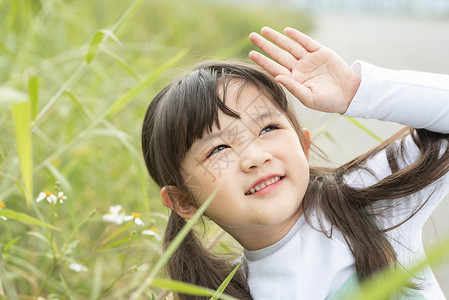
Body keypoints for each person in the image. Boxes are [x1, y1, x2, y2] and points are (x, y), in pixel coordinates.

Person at [141, 26, 449, 300]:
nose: (256, 157)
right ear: (183, 201)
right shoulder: (228, 293)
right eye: (219, 148)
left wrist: (356, 90)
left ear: (303, 144)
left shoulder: (368, 198)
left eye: (268, 128)